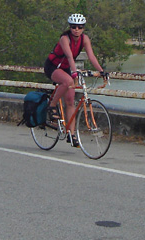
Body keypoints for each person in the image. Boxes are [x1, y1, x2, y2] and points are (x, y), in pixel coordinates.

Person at [43, 13, 104, 147]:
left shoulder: (85, 39)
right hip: (53, 66)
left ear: (83, 28)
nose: (77, 29)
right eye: (74, 26)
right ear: (70, 27)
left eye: (80, 27)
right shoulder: (65, 39)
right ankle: (51, 106)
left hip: (66, 69)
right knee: (68, 81)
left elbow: (91, 56)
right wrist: (74, 73)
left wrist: (101, 71)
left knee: (70, 102)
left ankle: (72, 134)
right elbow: (70, 57)